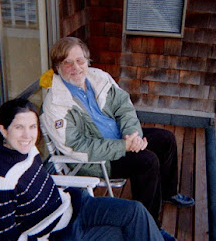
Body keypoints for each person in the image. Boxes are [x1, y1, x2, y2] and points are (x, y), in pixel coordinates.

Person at [39, 37, 194, 229]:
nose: (76, 67)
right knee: (147, 161)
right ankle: (149, 225)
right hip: (97, 159)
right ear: (57, 67)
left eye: (80, 60)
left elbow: (123, 106)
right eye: (67, 63)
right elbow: (78, 147)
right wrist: (123, 146)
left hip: (122, 138)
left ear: (87, 61)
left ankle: (168, 192)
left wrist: (132, 135)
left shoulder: (98, 77)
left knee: (166, 139)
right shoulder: (55, 104)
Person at [0, 98, 168, 240]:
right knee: (123, 234)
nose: (27, 135)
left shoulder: (27, 149)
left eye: (32, 127)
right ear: (4, 130)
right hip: (58, 234)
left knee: (135, 211)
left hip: (73, 205)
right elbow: (6, 237)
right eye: (19, 127)